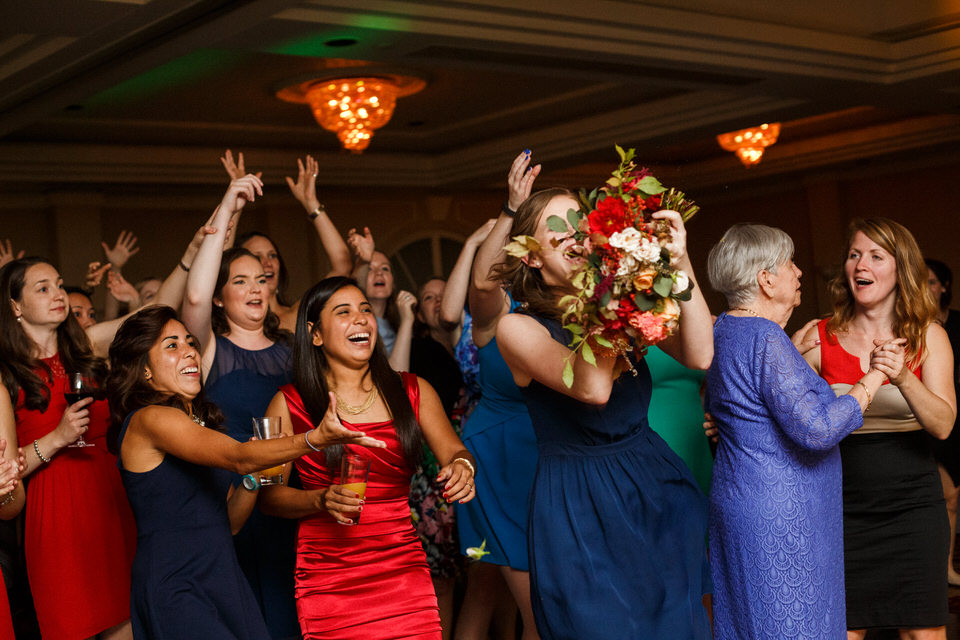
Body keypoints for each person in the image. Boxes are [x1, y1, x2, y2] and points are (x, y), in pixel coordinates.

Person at [495, 187, 714, 638]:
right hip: (580, 502)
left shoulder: (622, 304)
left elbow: (699, 354)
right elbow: (593, 389)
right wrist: (613, 290)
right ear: (532, 258)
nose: (577, 238)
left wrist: (679, 261)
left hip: (654, 483)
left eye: (582, 226)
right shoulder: (517, 327)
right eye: (559, 235)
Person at [105, 304, 386, 639]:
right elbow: (239, 457)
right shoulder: (150, 419)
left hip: (223, 578)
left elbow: (232, 522)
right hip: (177, 583)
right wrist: (314, 438)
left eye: (190, 343)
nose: (190, 352)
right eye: (172, 346)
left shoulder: (200, 425)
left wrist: (253, 480)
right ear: (145, 370)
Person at [0, 220, 218, 639]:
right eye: (43, 288)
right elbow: (5, 470)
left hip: (109, 502)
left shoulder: (86, 348)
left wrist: (190, 255)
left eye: (60, 285)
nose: (58, 293)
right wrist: (57, 438)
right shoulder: (7, 377)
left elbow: (148, 317)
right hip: (55, 521)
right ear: (15, 307)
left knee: (130, 626)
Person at [258, 276, 476, 639]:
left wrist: (462, 466)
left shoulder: (412, 391)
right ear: (315, 334)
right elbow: (268, 497)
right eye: (343, 312)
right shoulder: (288, 404)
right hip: (328, 579)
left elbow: (455, 450)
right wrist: (320, 499)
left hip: (403, 571)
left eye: (365, 310)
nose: (361, 319)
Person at [704, 223, 880, 639]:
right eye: (790, 263)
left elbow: (729, 410)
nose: (799, 273)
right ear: (766, 279)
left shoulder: (723, 329)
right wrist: (872, 380)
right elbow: (817, 430)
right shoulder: (765, 336)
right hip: (781, 516)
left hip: (743, 499)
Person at [797, 218, 955, 639]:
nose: (859, 264)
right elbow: (788, 417)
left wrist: (902, 376)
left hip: (914, 511)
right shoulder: (818, 336)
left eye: (875, 255)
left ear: (900, 268)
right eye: (854, 254)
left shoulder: (929, 337)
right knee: (841, 632)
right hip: (840, 510)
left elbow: (943, 426)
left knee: (922, 633)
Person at [182, 174, 300, 639]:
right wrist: (229, 206)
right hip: (234, 502)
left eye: (262, 279)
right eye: (240, 281)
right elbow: (191, 294)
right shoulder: (208, 348)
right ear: (219, 294)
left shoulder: (293, 349)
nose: (255, 288)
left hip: (290, 501)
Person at [456, 151, 541, 639]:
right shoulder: (497, 311)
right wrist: (511, 209)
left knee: (548, 604)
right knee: (525, 602)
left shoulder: (575, 309)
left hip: (552, 454)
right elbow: (482, 281)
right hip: (499, 458)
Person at [222, 150, 354, 332]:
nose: (267, 263)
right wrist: (235, 204)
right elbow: (218, 264)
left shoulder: (299, 315)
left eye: (272, 255)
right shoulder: (228, 322)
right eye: (256, 257)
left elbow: (342, 264)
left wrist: (311, 203)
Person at [926, 258, 960, 585]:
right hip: (923, 420)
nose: (927, 287)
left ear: (945, 286)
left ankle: (946, 568)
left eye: (933, 281)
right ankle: (937, 571)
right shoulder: (912, 327)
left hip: (956, 419)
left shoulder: (958, 325)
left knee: (952, 499)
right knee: (944, 495)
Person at [347, 228, 418, 370]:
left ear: (393, 283)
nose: (379, 273)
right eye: (370, 269)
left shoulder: (396, 324)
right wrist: (363, 261)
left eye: (385, 269)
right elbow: (397, 378)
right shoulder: (356, 325)